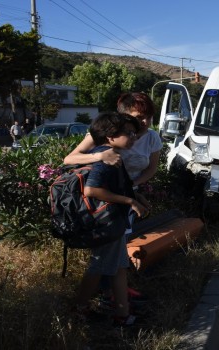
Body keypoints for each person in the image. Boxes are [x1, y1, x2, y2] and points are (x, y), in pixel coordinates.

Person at [74, 111, 146, 327]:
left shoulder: (113, 154)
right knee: (98, 267)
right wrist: (129, 201)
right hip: (107, 222)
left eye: (135, 133)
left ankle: (122, 314)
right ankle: (78, 309)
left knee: (119, 266)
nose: (134, 137)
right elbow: (91, 190)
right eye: (129, 133)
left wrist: (136, 196)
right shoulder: (106, 157)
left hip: (114, 221)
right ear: (110, 136)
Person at [64, 92, 162, 189]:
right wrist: (100, 156)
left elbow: (151, 169)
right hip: (100, 194)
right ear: (124, 115)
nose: (146, 122)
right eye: (139, 117)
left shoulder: (152, 137)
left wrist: (131, 185)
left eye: (149, 117)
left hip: (129, 192)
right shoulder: (105, 133)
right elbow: (69, 159)